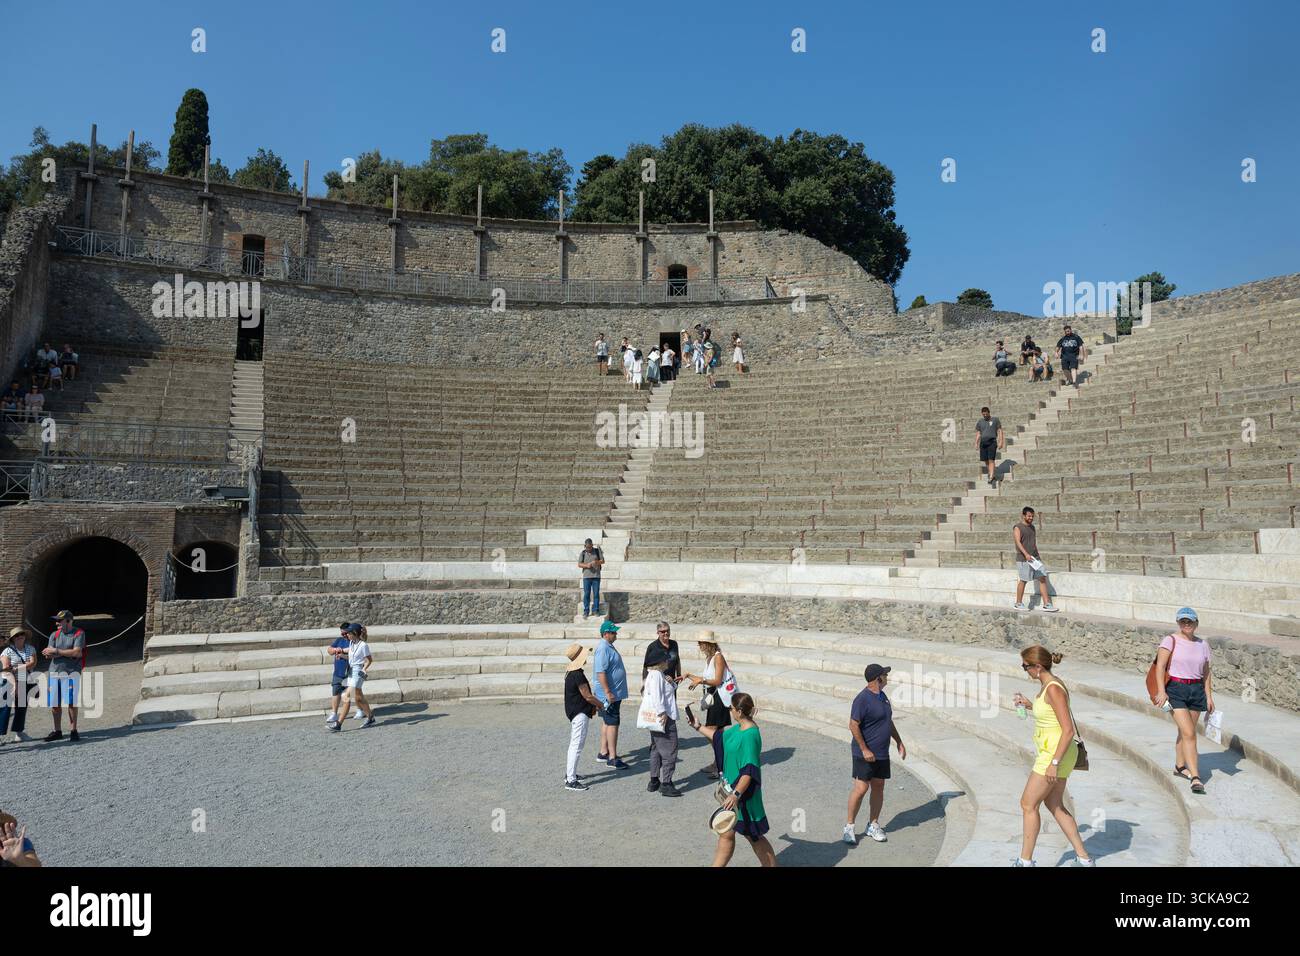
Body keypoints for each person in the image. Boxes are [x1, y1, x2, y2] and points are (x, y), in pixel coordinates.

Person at [1010, 646, 1094, 866]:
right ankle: (1084, 859)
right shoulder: (1048, 685)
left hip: (1054, 754)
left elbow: (1068, 730)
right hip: (1056, 752)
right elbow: (1050, 714)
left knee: (1028, 804)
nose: (1024, 670)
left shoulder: (1053, 688)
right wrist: (1029, 705)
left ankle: (1025, 862)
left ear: (1038, 666)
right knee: (1055, 804)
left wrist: (1054, 763)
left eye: (1025, 666)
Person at [686, 693, 777, 867]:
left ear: (740, 711)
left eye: (732, 709)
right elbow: (718, 738)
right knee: (726, 831)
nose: (730, 711)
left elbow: (748, 771)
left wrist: (736, 794)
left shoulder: (750, 735)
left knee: (754, 836)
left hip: (743, 794)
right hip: (731, 792)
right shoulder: (738, 728)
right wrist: (697, 726)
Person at [844, 664, 906, 845]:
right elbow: (853, 725)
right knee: (861, 788)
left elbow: (888, 721)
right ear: (878, 679)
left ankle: (873, 824)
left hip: (881, 753)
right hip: (864, 753)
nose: (887, 678)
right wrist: (864, 749)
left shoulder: (882, 697)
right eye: (885, 675)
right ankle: (849, 826)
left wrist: (899, 742)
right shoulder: (862, 699)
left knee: (878, 786)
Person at [1153, 607, 1213, 795]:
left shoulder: (1203, 644)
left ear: (1196, 623)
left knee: (1186, 731)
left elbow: (1206, 672)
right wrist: (1161, 692)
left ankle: (1180, 767)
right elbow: (1160, 667)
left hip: (1196, 690)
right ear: (1178, 623)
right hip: (1176, 690)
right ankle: (1195, 777)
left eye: (1190, 621)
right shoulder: (1170, 640)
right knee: (1189, 733)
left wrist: (1209, 696)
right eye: (1183, 621)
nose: (1186, 624)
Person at [684, 632, 735, 779]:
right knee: (715, 733)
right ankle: (719, 761)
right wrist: (688, 676)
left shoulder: (718, 657)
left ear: (708, 644)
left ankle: (723, 763)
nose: (699, 645)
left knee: (711, 731)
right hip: (714, 698)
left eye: (701, 643)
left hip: (719, 698)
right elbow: (705, 678)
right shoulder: (710, 658)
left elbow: (717, 680)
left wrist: (700, 681)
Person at [563, 643, 603, 791]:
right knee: (576, 746)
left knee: (574, 745)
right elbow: (587, 696)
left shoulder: (571, 672)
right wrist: (600, 704)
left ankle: (570, 774)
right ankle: (571, 780)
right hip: (579, 714)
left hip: (575, 712)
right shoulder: (577, 674)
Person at [42, 611, 85, 742]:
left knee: (71, 702)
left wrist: (56, 651)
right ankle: (57, 731)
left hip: (71, 672)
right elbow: (47, 654)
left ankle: (73, 730)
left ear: (68, 621)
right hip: (54, 672)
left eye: (60, 620)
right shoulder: (53, 635)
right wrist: (66, 653)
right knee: (55, 704)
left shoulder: (79, 633)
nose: (57, 623)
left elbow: (77, 653)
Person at [642, 659, 682, 796]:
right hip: (664, 717)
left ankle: (654, 780)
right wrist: (662, 712)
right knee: (670, 748)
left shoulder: (655, 674)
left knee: (656, 748)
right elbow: (656, 695)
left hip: (658, 717)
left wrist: (671, 682)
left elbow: (664, 691)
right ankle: (666, 783)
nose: (668, 661)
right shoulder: (657, 675)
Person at [592, 621, 629, 769]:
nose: (616, 634)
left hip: (611, 693)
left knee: (607, 722)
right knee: (613, 723)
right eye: (613, 632)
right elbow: (600, 672)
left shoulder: (607, 647)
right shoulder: (603, 649)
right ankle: (612, 758)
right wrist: (608, 692)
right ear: (605, 633)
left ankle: (603, 752)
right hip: (609, 695)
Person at [331, 623, 375, 730]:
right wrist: (340, 652)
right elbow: (350, 653)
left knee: (346, 696)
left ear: (354, 633)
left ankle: (338, 724)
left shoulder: (363, 645)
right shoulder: (351, 643)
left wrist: (364, 669)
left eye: (349, 633)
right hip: (351, 671)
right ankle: (370, 717)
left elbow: (369, 660)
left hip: (358, 672)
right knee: (359, 698)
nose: (346, 635)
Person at [1012, 506, 1056, 612]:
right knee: (1023, 580)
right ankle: (1018, 603)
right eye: (1029, 516)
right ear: (1023, 516)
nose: (1031, 518)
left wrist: (1037, 555)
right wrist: (1026, 554)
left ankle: (1047, 604)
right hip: (1023, 558)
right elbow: (1018, 542)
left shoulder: (1032, 527)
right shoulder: (1017, 527)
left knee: (1042, 577)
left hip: (1034, 558)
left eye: (1032, 516)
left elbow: (1033, 542)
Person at [1, 626, 36, 744]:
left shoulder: (30, 648)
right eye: (16, 635)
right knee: (4, 709)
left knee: (21, 708)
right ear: (13, 639)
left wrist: (16, 668)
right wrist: (22, 666)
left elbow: (33, 663)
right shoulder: (7, 651)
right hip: (9, 681)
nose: (20, 636)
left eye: (21, 634)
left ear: (25, 636)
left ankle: (19, 733)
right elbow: (6, 669)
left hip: (23, 679)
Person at [325, 624, 355, 728]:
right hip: (338, 672)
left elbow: (355, 657)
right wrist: (334, 650)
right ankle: (334, 713)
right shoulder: (339, 640)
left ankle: (363, 711)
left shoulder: (354, 642)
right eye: (341, 633)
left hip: (350, 674)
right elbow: (329, 650)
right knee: (336, 691)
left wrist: (342, 654)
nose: (343, 635)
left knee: (350, 696)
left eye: (344, 633)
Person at [975, 406, 1004, 486]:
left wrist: (1001, 441)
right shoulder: (980, 421)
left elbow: (1000, 431)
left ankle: (991, 476)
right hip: (983, 443)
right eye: (983, 414)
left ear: (989, 412)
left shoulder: (995, 420)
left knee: (991, 459)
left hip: (992, 442)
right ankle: (992, 474)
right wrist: (976, 443)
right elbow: (978, 433)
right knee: (986, 460)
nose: (984, 416)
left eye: (986, 414)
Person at [577, 537, 604, 619]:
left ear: (592, 545)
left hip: (596, 576)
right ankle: (586, 611)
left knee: (596, 594)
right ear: (585, 546)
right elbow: (579, 564)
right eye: (587, 547)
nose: (589, 548)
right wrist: (586, 565)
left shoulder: (597, 551)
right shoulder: (583, 553)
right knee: (586, 594)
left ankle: (596, 610)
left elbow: (603, 561)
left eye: (590, 547)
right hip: (586, 577)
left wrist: (596, 562)